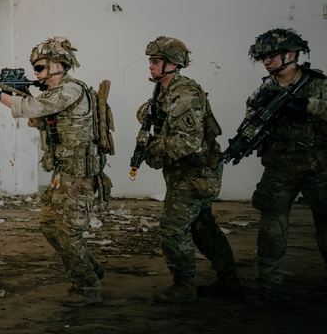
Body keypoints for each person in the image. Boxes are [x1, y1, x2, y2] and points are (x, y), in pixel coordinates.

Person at [0, 37, 108, 307]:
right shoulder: (53, 94)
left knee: (68, 235)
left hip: (79, 177)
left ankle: (88, 288)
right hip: (63, 174)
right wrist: (13, 91)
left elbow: (34, 109)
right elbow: (37, 117)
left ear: (58, 66)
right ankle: (91, 269)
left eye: (39, 68)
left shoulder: (71, 90)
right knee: (50, 227)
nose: (35, 74)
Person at [136, 37, 240, 303]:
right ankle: (229, 281)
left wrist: (153, 149)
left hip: (195, 172)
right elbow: (151, 115)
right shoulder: (164, 91)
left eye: (155, 61)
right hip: (186, 171)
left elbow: (189, 141)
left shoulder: (184, 94)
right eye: (150, 61)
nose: (150, 66)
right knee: (202, 226)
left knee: (172, 227)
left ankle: (184, 285)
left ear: (173, 64)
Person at [241, 28, 327, 306]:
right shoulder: (264, 90)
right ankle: (268, 287)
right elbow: (250, 125)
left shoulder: (319, 85)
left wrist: (308, 107)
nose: (266, 61)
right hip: (279, 167)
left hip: (318, 166)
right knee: (272, 226)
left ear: (291, 55)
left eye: (271, 56)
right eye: (262, 57)